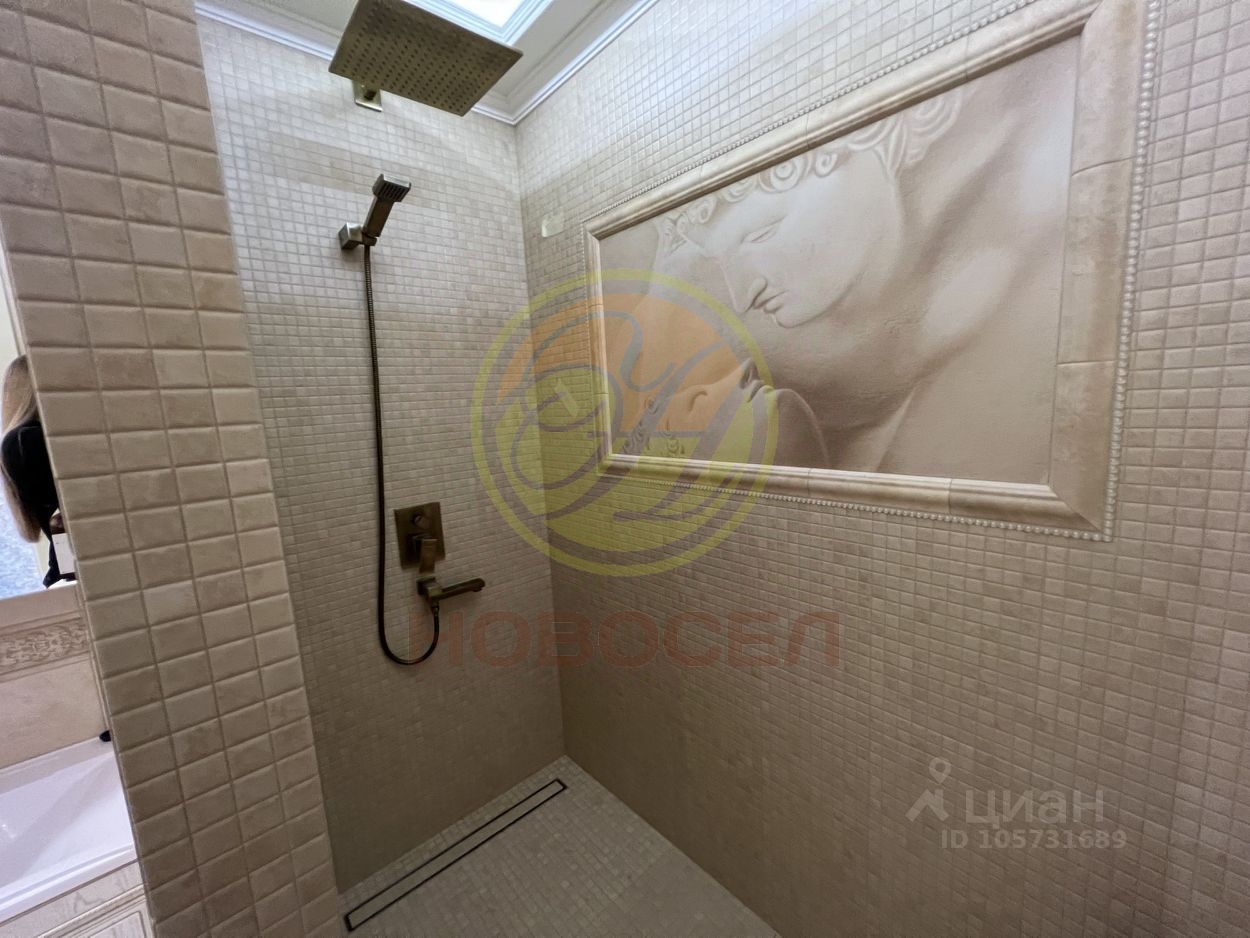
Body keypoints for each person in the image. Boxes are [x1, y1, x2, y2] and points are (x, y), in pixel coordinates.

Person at [2, 355, 71, 587]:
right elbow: (64, 512)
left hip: (68, 568)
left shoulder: (21, 439)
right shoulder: (26, 439)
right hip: (72, 568)